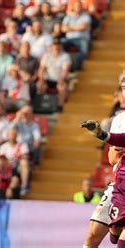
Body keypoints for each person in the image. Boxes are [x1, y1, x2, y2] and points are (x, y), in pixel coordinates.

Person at [81, 72, 125, 247]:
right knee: (94, 234)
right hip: (119, 183)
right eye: (122, 88)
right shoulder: (119, 119)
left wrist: (106, 137)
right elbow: (112, 157)